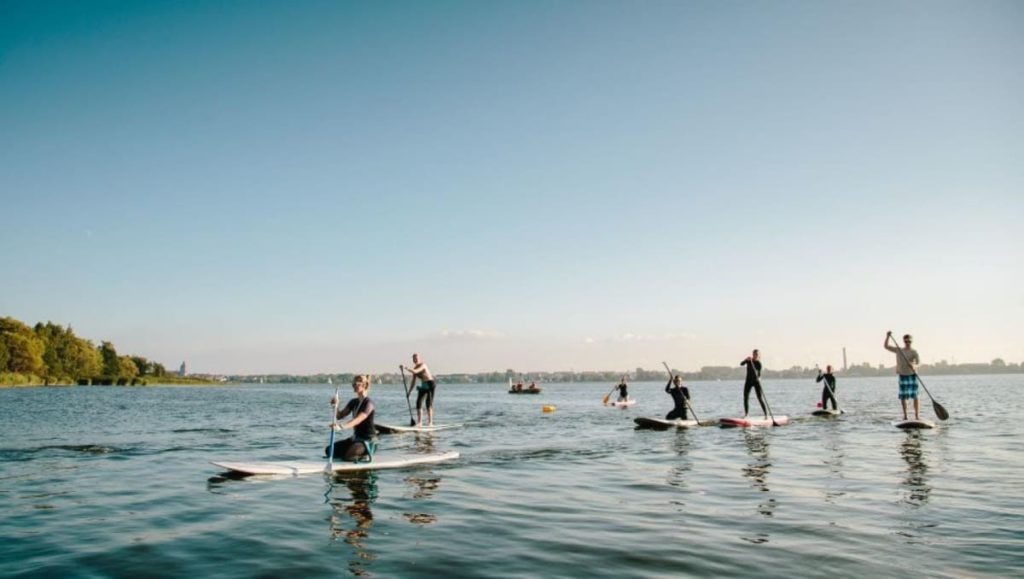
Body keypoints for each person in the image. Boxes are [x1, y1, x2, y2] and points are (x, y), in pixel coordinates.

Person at [325, 374, 377, 462]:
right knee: (329, 450)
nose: (354, 386)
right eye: (353, 384)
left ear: (364, 385)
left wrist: (341, 427)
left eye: (356, 384)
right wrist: (335, 406)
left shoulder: (369, 403)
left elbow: (357, 420)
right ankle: (349, 454)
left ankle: (362, 456)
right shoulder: (353, 402)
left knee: (348, 456)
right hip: (355, 439)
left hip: (368, 442)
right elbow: (339, 416)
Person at [885, 332, 921, 420]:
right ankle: (905, 416)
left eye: (909, 341)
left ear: (911, 341)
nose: (908, 343)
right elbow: (886, 346)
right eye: (906, 341)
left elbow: (919, 363)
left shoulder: (914, 352)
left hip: (912, 375)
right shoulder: (899, 350)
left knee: (915, 396)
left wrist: (914, 365)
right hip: (902, 375)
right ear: (904, 341)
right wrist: (887, 336)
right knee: (903, 396)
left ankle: (917, 416)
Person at [404, 353, 437, 426]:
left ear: (419, 359)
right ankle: (420, 422)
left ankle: (430, 423)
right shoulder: (414, 368)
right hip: (423, 385)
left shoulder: (423, 365)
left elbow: (415, 371)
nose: (415, 359)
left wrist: (406, 368)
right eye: (414, 358)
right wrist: (409, 392)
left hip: (430, 384)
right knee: (418, 403)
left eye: (416, 358)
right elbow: (413, 382)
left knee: (428, 404)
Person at [741, 349, 767, 419]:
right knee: (746, 397)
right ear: (753, 354)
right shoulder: (749, 361)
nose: (755, 355)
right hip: (748, 381)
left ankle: (766, 415)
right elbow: (741, 364)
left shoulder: (759, 363)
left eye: (756, 355)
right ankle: (746, 414)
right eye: (754, 354)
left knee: (759, 398)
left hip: (756, 382)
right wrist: (745, 359)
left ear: (758, 356)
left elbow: (759, 374)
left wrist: (759, 378)